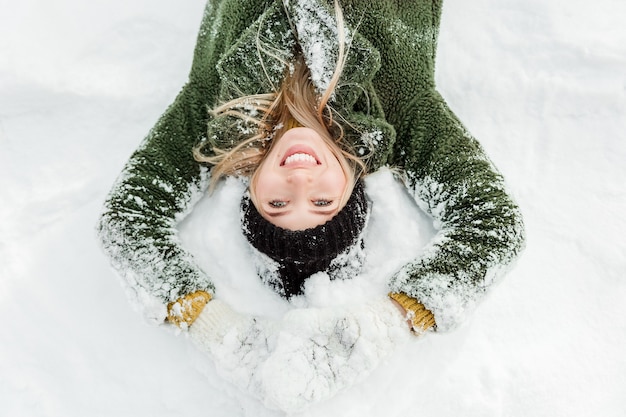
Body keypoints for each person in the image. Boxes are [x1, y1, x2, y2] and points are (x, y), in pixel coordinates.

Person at [97, 0, 525, 411]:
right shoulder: (402, 110)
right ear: (352, 182)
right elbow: (494, 225)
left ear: (252, 185)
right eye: (322, 202)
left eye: (277, 203)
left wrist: (214, 327)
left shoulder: (213, 107)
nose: (300, 180)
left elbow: (125, 221)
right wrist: (388, 322)